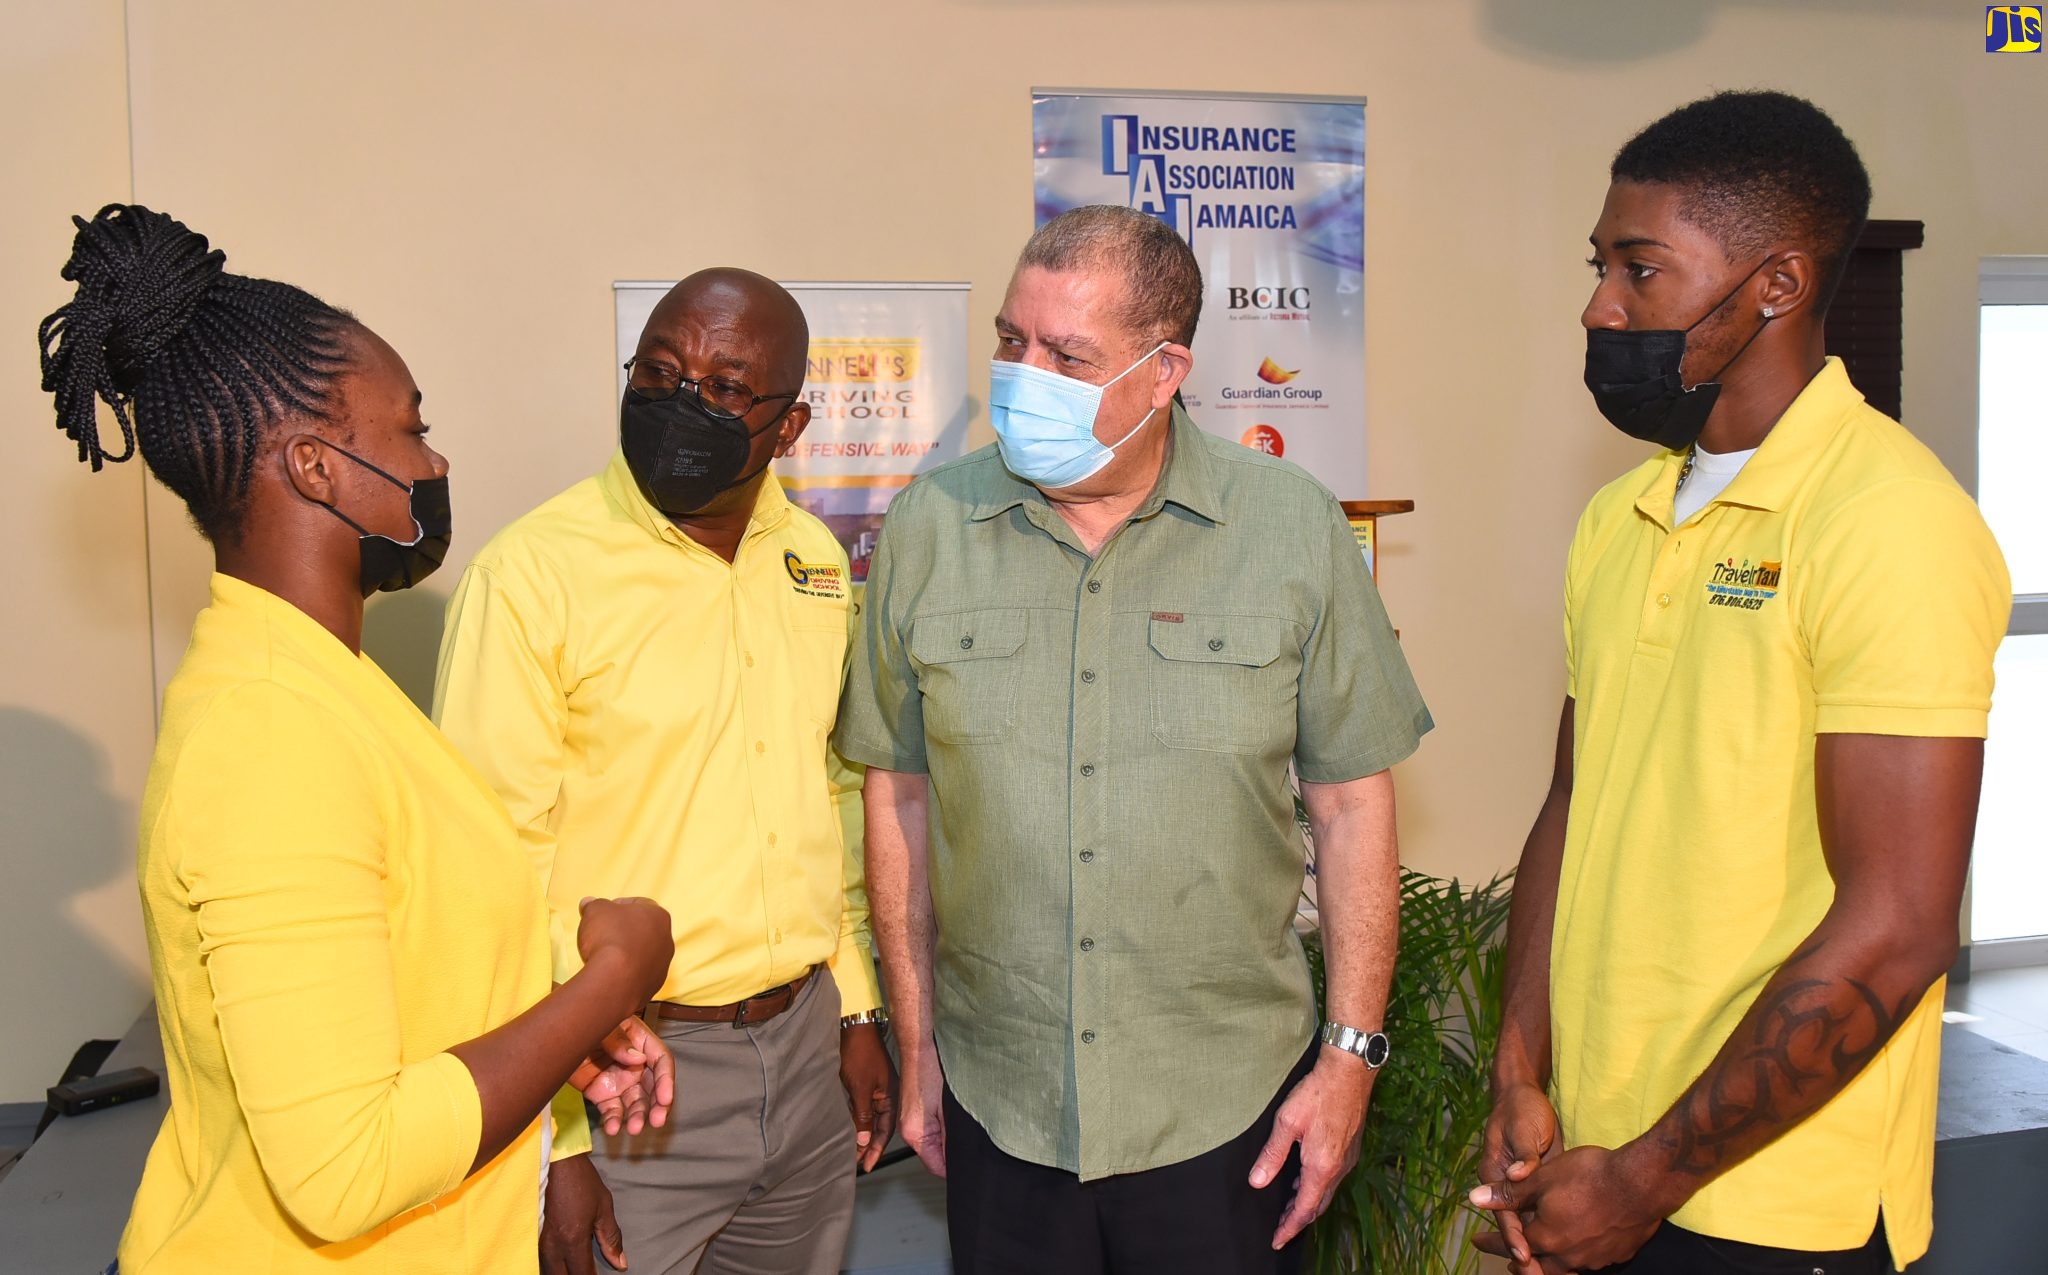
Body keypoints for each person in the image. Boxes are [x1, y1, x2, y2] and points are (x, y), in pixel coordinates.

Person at [36, 204, 678, 1274]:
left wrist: (559, 1017)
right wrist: (612, 979)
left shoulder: (326, 685)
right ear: (317, 466)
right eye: (411, 428)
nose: (433, 458)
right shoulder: (272, 739)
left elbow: (399, 952)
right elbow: (345, 1170)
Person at [835, 204, 1433, 1274]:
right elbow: (901, 797)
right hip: (1000, 1098)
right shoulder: (928, 527)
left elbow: (1351, 804)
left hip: (1225, 1109)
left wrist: (1347, 1063)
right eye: (1011, 341)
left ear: (1164, 374)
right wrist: (916, 1040)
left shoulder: (1289, 526)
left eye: (1066, 354)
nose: (1024, 373)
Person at [1471, 92, 2010, 1275]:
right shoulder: (1618, 518)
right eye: (1598, 264)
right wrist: (1522, 1066)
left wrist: (1646, 1177)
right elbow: (1574, 803)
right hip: (1595, 1152)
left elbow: (1897, 927)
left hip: (1767, 1201)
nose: (1597, 305)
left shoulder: (1888, 525)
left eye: (1639, 270)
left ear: (1773, 283)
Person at [434, 268, 894, 1275]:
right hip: (624, 1072)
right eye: (659, 369)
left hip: (804, 1048)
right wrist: (552, 1138)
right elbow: (483, 875)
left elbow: (829, 792)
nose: (683, 401)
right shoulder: (532, 576)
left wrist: (856, 1011)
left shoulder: (810, 561)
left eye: (727, 387)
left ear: (789, 426)